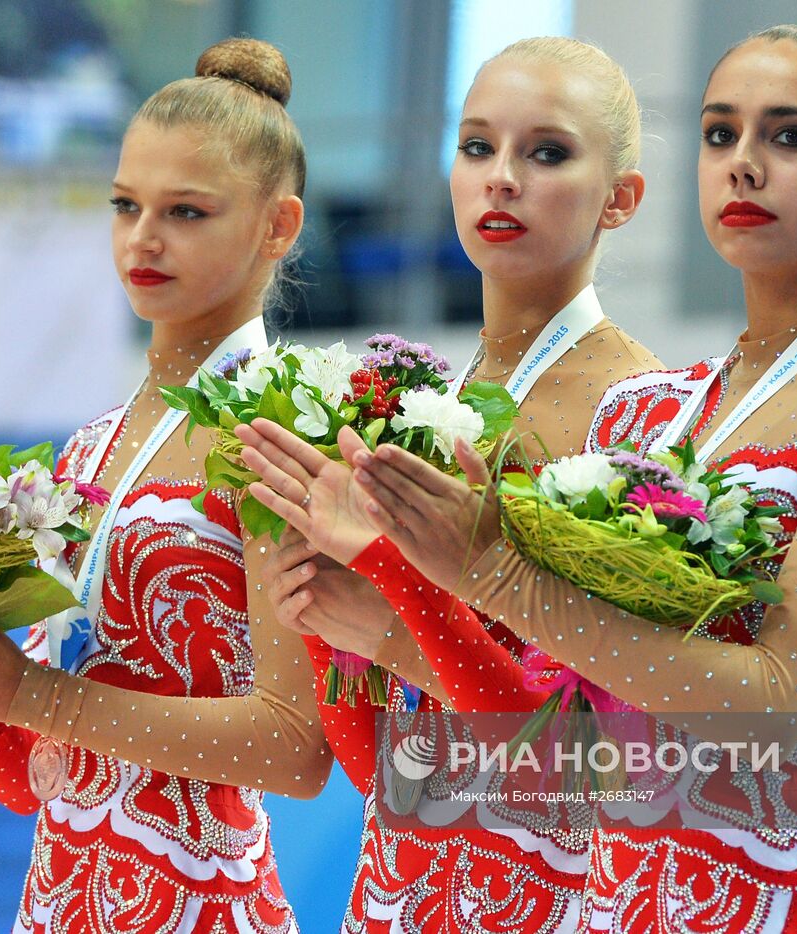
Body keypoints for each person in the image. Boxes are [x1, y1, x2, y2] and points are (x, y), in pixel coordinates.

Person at [242, 24, 797, 933]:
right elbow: (567, 739)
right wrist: (333, 606)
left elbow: (777, 707)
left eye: (792, 136)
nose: (743, 164)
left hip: (775, 901)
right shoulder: (655, 408)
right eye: (719, 133)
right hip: (596, 899)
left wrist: (469, 576)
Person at [0, 38, 330, 934]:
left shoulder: (283, 432)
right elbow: (42, 777)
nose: (143, 236)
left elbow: (297, 749)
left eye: (186, 211)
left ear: (278, 226)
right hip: (63, 900)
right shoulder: (91, 448)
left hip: (202, 906)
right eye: (125, 204)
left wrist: (28, 696)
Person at [248, 37, 661, 932]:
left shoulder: (646, 418)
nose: (500, 178)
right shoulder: (416, 410)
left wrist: (390, 625)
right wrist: (322, 623)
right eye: (477, 147)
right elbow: (381, 772)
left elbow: (596, 773)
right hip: (402, 894)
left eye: (545, 152)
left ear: (620, 198)